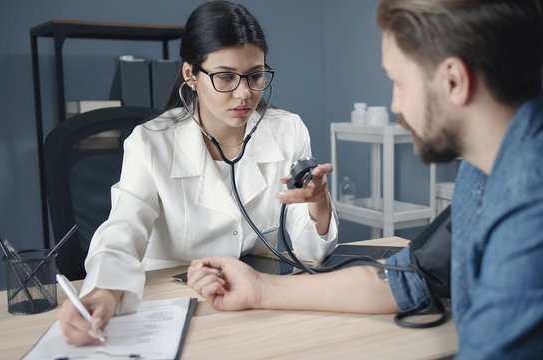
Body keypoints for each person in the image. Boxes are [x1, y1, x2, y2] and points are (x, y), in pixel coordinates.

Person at [188, 0, 543, 357]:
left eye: (398, 82)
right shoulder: (495, 156)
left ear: (453, 81)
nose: (395, 104)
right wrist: (259, 289)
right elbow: (408, 278)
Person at [57, 1, 338, 345]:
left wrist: (318, 202)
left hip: (250, 299)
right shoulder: (151, 142)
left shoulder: (287, 130)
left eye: (255, 75)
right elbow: (123, 230)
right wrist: (104, 294)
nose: (244, 93)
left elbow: (309, 253)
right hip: (172, 303)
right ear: (191, 75)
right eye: (225, 77)